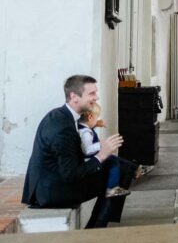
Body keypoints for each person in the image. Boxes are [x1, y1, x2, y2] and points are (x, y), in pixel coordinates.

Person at [22, 76, 128, 228]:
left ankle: (99, 225)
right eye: (91, 93)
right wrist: (101, 155)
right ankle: (96, 229)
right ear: (74, 97)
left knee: (116, 168)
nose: (96, 97)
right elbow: (71, 174)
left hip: (52, 182)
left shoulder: (62, 115)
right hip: (52, 191)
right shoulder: (62, 128)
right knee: (114, 175)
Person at [78, 104, 131, 198]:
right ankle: (112, 188)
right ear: (90, 117)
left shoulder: (83, 128)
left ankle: (135, 169)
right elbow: (86, 149)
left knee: (113, 157)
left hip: (91, 159)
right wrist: (102, 144)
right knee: (113, 163)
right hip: (90, 161)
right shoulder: (85, 132)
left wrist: (96, 123)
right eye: (96, 117)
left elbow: (88, 128)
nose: (97, 120)